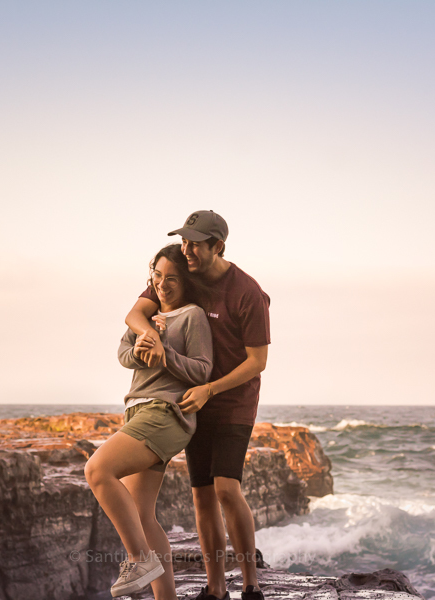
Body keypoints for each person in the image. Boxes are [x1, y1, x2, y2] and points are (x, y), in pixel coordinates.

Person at [125, 210, 270, 600]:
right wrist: (149, 337)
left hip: (233, 403)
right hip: (190, 401)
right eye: (184, 241)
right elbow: (136, 312)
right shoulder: (181, 277)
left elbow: (257, 361)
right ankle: (216, 587)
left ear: (218, 247)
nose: (187, 249)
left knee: (226, 488)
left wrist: (211, 389)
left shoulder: (247, 291)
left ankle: (251, 583)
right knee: (201, 494)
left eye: (195, 244)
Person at [85, 243, 213, 600]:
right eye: (157, 276)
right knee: (142, 513)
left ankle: (139, 558)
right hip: (137, 410)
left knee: (97, 471)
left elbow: (203, 370)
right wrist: (145, 343)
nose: (163, 284)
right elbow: (124, 354)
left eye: (172, 278)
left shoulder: (192, 316)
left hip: (165, 413)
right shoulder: (147, 316)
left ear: (186, 282)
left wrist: (164, 354)